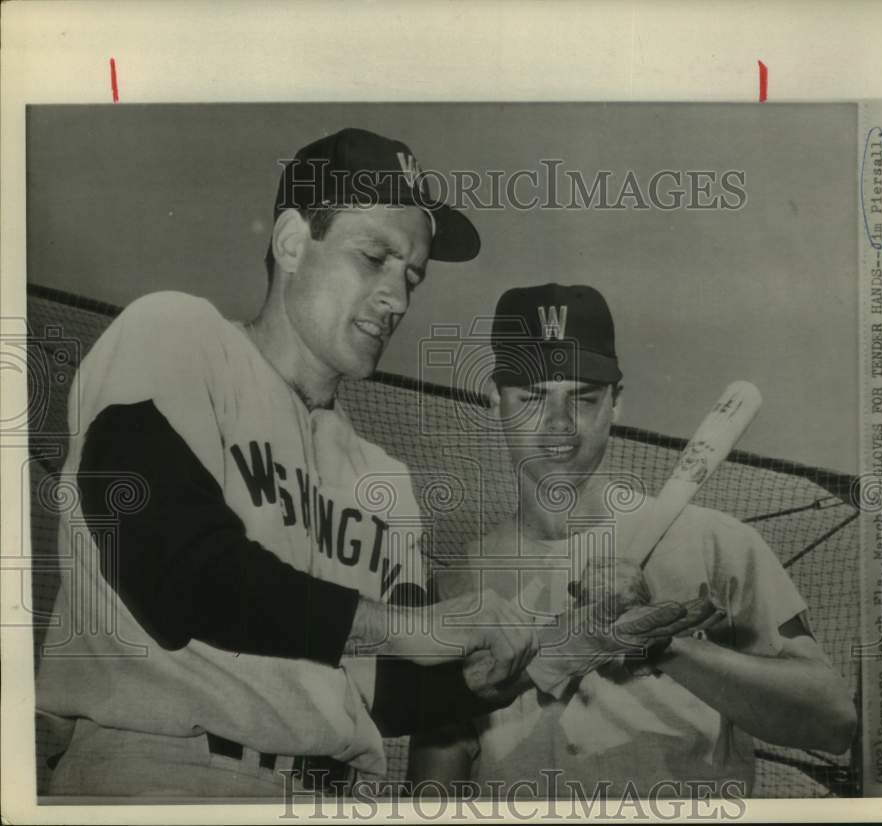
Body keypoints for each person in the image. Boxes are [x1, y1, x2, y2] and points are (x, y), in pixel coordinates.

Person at [33, 128, 554, 798]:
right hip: (169, 779)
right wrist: (404, 625)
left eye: (412, 276)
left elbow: (383, 691)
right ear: (290, 241)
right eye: (374, 257)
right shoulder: (176, 337)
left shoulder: (382, 478)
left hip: (337, 795)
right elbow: (172, 567)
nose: (397, 298)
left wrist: (519, 664)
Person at [408, 283, 858, 800]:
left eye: (584, 398)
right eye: (533, 397)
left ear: (616, 403)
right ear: (495, 399)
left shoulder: (717, 545)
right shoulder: (459, 581)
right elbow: (432, 788)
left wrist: (659, 645)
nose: (558, 424)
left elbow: (832, 723)